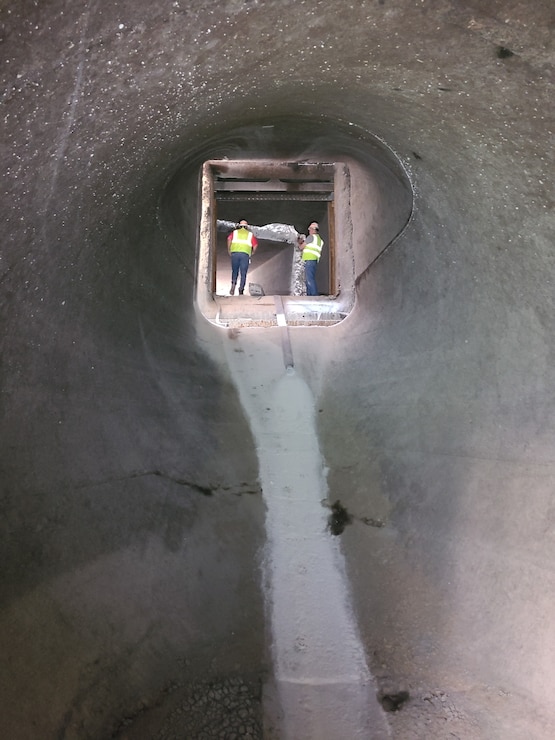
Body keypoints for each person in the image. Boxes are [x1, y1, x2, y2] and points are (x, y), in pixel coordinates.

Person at [227, 219, 258, 295]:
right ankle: (241, 290)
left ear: (239, 226)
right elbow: (255, 245)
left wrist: (229, 249)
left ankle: (233, 285)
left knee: (235, 271)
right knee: (243, 273)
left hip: (235, 254)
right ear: (247, 227)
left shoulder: (235, 233)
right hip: (245, 255)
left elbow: (229, 239)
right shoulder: (250, 234)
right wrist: (252, 252)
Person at [298, 221, 324, 296]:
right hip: (314, 260)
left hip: (309, 260)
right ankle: (310, 296)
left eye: (310, 229)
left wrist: (300, 243)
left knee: (309, 279)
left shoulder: (311, 237)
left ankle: (314, 296)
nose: (309, 230)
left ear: (313, 229)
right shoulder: (319, 240)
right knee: (310, 278)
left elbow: (301, 247)